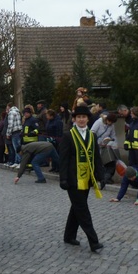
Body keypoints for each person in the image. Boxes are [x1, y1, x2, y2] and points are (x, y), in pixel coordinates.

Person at [59, 105, 103, 252]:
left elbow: (96, 158)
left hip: (87, 179)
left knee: (77, 208)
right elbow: (63, 159)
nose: (82, 119)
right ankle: (93, 241)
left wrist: (101, 176)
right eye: (79, 117)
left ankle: (69, 236)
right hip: (73, 180)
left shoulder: (92, 135)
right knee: (83, 210)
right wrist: (63, 179)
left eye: (84, 117)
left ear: (88, 119)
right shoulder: (68, 135)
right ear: (74, 119)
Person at [91, 111, 119, 186]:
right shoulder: (99, 122)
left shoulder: (111, 125)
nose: (110, 123)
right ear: (107, 119)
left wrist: (112, 142)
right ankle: (95, 177)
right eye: (109, 121)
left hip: (105, 146)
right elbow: (92, 132)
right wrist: (97, 142)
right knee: (97, 161)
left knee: (108, 162)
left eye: (112, 122)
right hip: (96, 145)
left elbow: (113, 136)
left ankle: (105, 178)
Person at [5, 102, 22, 168]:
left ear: (9, 107)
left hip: (14, 131)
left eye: (7, 107)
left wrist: (8, 133)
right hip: (19, 130)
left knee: (16, 148)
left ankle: (19, 162)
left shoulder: (11, 113)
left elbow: (10, 124)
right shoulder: (17, 111)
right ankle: (16, 161)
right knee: (17, 147)